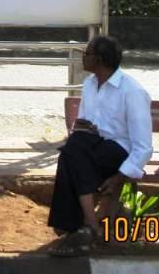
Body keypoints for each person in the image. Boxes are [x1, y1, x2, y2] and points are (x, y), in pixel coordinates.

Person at [48, 35, 153, 256]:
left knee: (71, 154)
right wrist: (85, 128)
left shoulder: (132, 91)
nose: (83, 58)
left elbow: (143, 146)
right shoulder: (89, 84)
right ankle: (88, 225)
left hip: (120, 150)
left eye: (87, 54)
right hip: (92, 146)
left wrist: (120, 176)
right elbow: (84, 123)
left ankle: (78, 224)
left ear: (101, 59)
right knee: (73, 149)